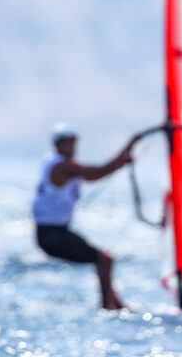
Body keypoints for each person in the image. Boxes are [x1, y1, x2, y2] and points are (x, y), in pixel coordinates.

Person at [32, 122, 134, 310]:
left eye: (73, 141)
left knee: (103, 260)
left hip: (59, 231)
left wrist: (120, 163)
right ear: (57, 145)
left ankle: (113, 304)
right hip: (51, 236)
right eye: (66, 142)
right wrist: (130, 146)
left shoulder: (67, 166)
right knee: (104, 259)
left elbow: (93, 176)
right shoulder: (62, 166)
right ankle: (108, 307)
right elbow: (99, 171)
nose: (71, 145)